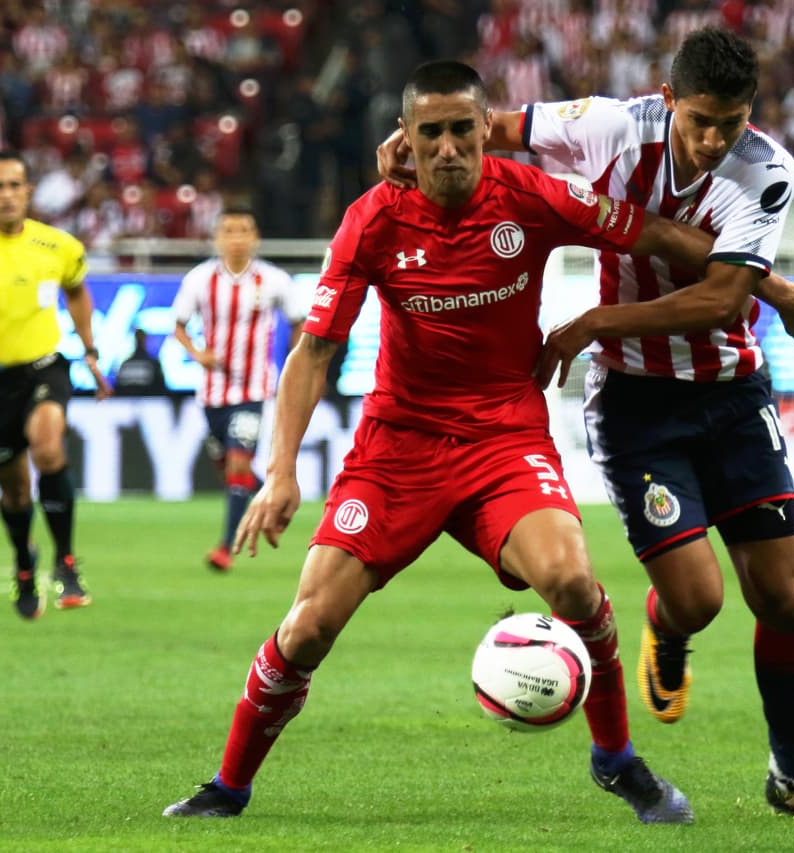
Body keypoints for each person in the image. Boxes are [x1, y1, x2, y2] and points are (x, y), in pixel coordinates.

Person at [163, 60, 725, 823]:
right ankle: (227, 787)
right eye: (433, 133)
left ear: (484, 129)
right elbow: (314, 351)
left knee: (571, 581)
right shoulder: (373, 218)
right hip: (398, 449)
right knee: (308, 627)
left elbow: (650, 232)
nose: (451, 146)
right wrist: (282, 469)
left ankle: (617, 759)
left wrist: (762, 277)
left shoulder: (530, 197)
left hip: (503, 439)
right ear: (409, 138)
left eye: (465, 129)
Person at [374, 27, 794, 823]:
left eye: (734, 121)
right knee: (700, 599)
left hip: (731, 387)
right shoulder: (609, 127)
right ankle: (667, 627)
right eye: (700, 121)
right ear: (668, 99)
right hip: (635, 401)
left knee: (783, 596)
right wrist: (412, 139)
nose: (716, 139)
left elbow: (721, 298)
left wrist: (593, 320)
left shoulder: (768, 170)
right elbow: (499, 125)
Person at [0, 149, 110, 619]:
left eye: (16, 185)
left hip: (45, 367)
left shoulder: (59, 246)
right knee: (13, 492)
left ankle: (67, 563)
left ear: (29, 191)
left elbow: (76, 290)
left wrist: (90, 350)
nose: (7, 195)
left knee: (49, 450)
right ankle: (23, 563)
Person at [171, 208, 304, 572]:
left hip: (253, 389)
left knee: (237, 463)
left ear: (255, 236)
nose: (236, 237)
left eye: (244, 230)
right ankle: (274, 500)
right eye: (229, 230)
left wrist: (293, 362)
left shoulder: (273, 280)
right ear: (217, 238)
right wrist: (198, 353)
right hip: (212, 393)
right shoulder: (200, 280)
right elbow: (178, 326)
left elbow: (300, 321)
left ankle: (225, 548)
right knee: (231, 470)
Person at [112, 327, 167, 396]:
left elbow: (118, 389)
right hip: (151, 404)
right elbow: (161, 388)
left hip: (127, 403)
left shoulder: (126, 364)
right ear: (145, 340)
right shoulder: (153, 363)